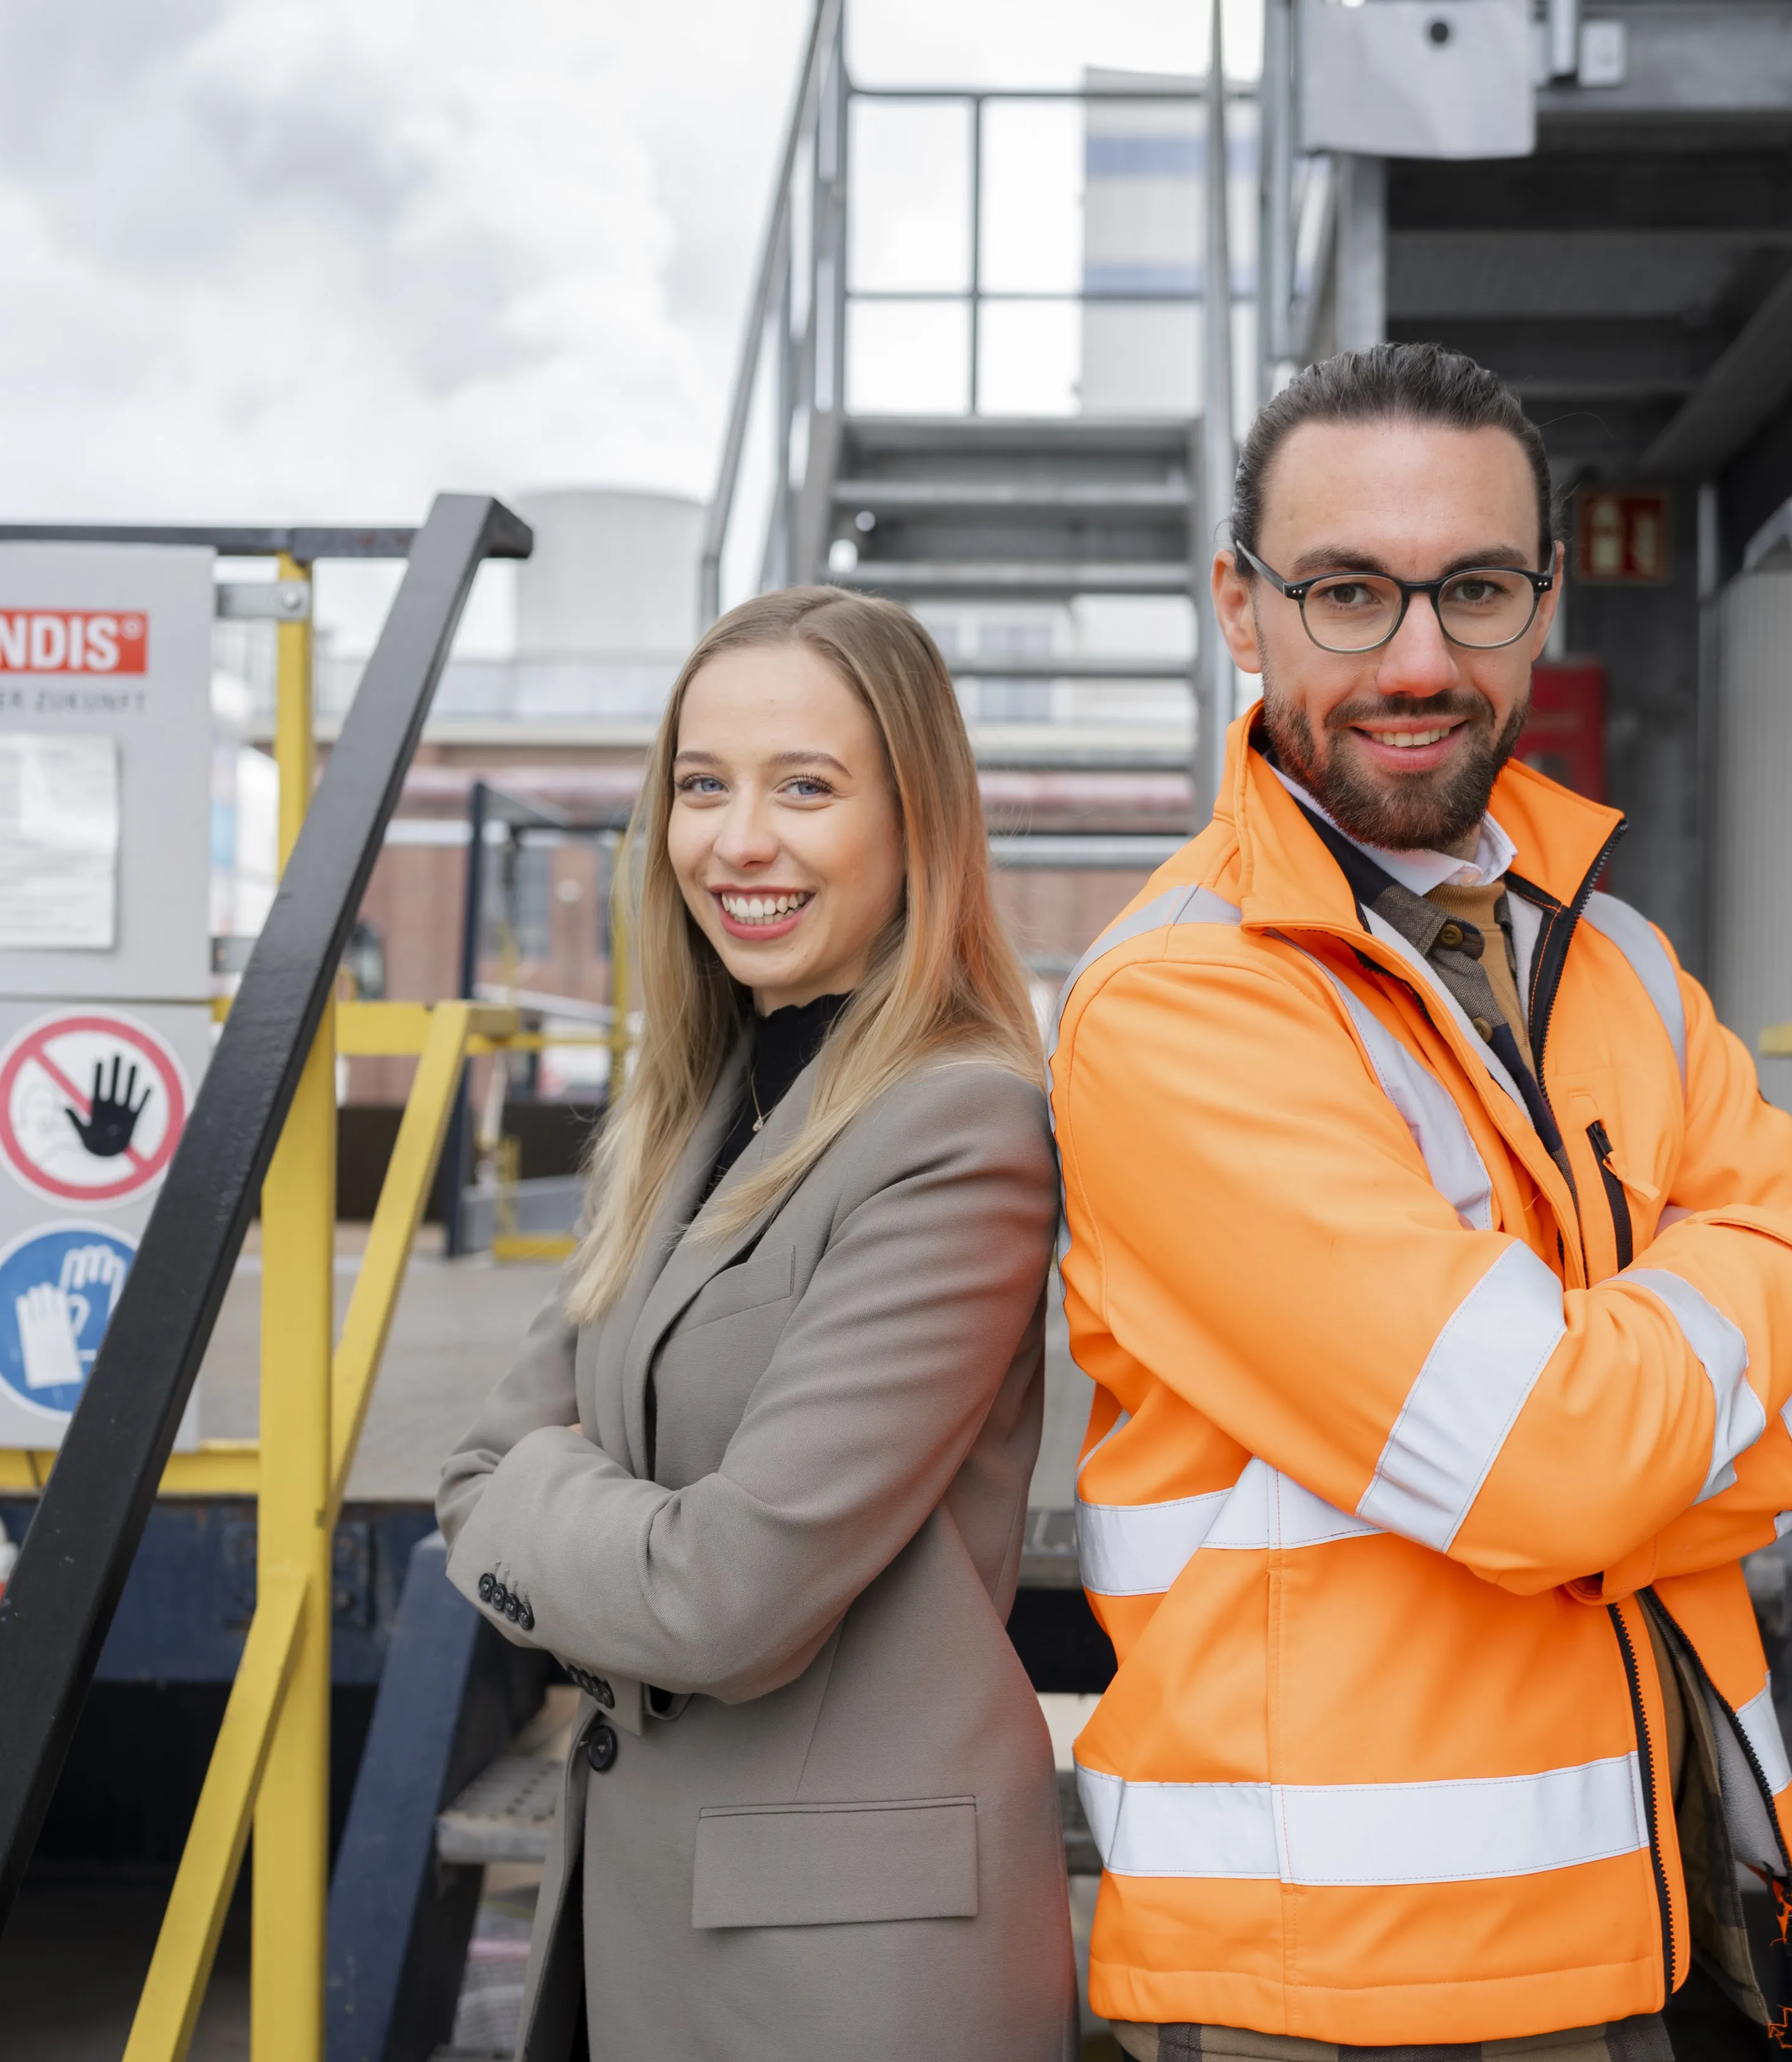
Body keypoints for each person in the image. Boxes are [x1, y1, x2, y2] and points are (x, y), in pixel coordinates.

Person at [1049, 342, 1792, 2058]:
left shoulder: (1619, 957)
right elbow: (1557, 1462)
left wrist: (1619, 1438)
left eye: (1475, 589)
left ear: (1547, 604)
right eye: (1350, 593)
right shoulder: (1186, 1001)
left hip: (1674, 1911)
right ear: (1244, 605)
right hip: (1354, 1984)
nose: (1421, 658)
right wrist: (1744, 1277)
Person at [438, 586, 1075, 2061]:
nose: (739, 839)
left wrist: (544, 1502)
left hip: (849, 1974)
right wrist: (557, 1504)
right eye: (702, 784)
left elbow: (725, 1597)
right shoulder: (697, 1108)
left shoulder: (961, 1129)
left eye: (806, 786)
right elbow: (475, 1464)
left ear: (916, 822)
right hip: (657, 1911)